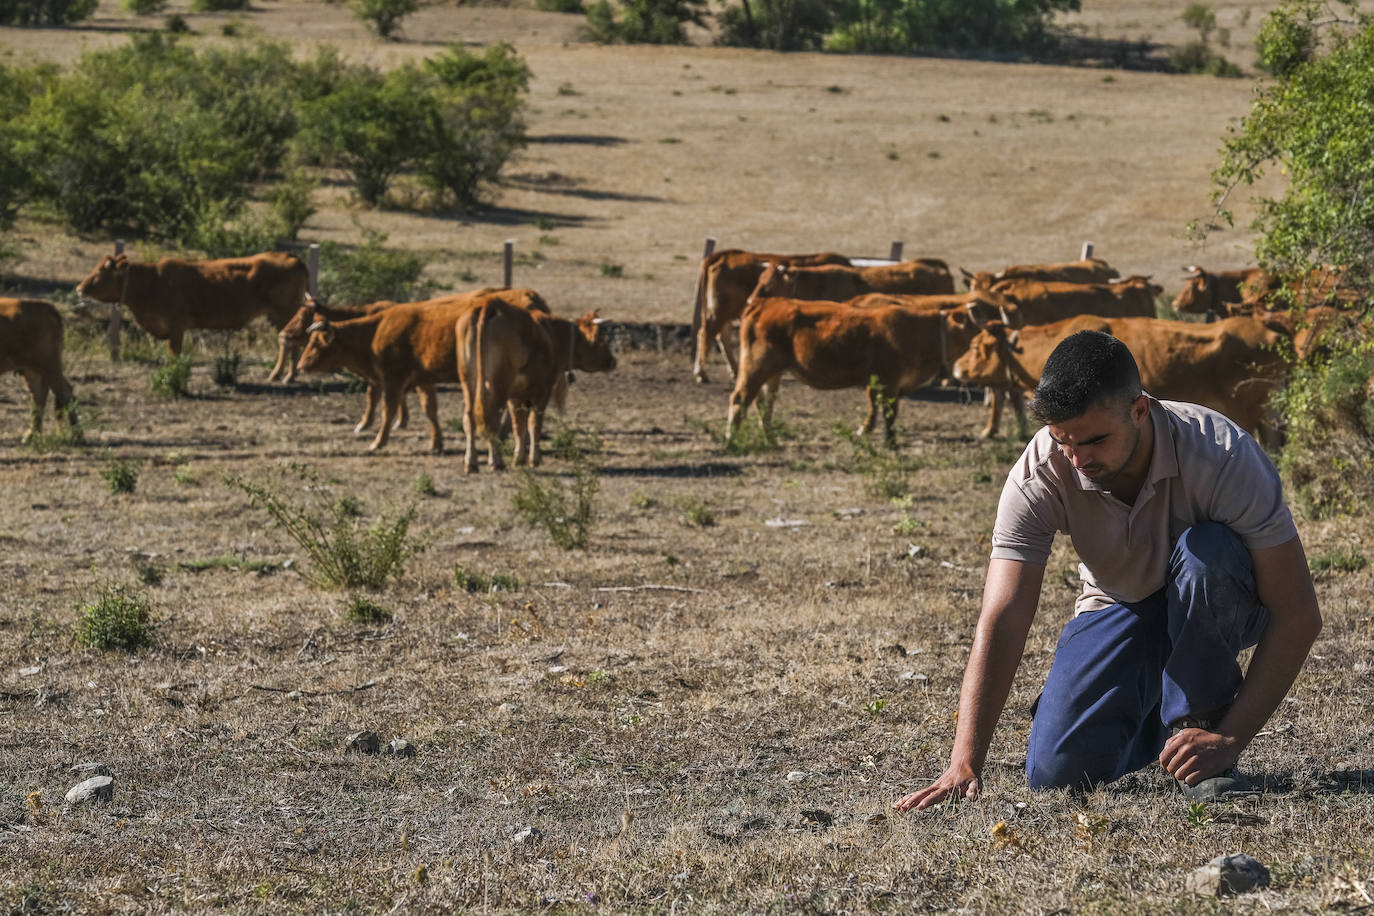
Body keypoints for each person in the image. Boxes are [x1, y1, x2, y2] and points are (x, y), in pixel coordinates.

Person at [894, 330, 1322, 810]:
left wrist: (1231, 738)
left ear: (1140, 409)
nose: (1078, 460)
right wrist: (964, 761)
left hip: (1223, 599)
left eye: (1096, 440)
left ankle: (1202, 732)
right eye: (1064, 441)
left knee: (1207, 553)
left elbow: (1298, 612)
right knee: (1056, 774)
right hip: (1123, 604)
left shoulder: (1222, 454)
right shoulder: (1040, 470)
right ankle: (1163, 722)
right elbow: (1004, 614)